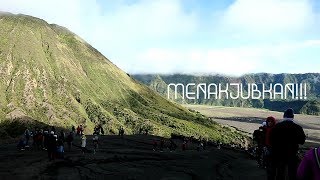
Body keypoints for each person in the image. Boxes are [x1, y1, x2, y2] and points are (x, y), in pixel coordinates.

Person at [270, 108, 306, 180]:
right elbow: (302, 141)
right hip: (292, 154)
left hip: (279, 154)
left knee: (280, 173)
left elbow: (271, 140)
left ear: (284, 116)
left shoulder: (277, 127)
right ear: (293, 116)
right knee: (292, 174)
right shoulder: (298, 128)